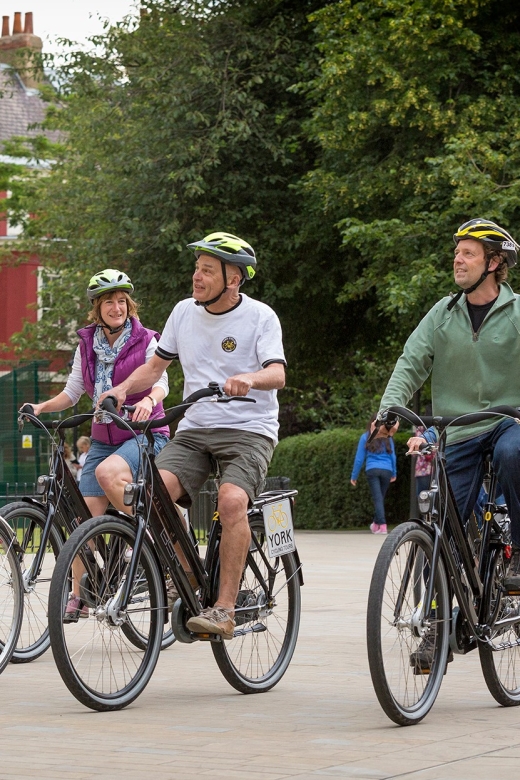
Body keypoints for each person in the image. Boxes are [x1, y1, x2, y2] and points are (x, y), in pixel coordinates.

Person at [101, 232, 286, 641]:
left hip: (248, 429)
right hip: (196, 427)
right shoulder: (184, 312)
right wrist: (120, 390)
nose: (196, 277)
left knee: (232, 500)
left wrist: (248, 379)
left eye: (206, 270)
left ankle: (224, 608)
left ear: (233, 278)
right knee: (151, 496)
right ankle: (185, 573)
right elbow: (155, 366)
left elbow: (278, 373)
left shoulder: (260, 317)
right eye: (196, 268)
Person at [376, 218, 520, 664]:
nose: (458, 259)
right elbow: (411, 360)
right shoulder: (442, 313)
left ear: (494, 263)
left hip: (507, 421)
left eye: (469, 253)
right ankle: (436, 627)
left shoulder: (518, 313)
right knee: (438, 530)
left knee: (513, 452)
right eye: (457, 252)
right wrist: (389, 409)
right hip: (457, 429)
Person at [25, 269, 170, 620]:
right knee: (80, 521)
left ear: (129, 305)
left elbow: (161, 379)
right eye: (109, 302)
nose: (117, 307)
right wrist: (42, 407)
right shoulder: (87, 343)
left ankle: (149, 535)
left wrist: (150, 400)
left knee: (108, 476)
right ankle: (80, 595)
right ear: (97, 308)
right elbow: (74, 391)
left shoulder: (147, 338)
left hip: (144, 434)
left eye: (122, 301)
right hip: (104, 440)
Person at [350, 413, 397, 535]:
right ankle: (376, 525)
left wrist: (354, 476)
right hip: (387, 470)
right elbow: (393, 456)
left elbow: (359, 458)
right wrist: (394, 472)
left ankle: (382, 525)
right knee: (380, 498)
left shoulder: (365, 437)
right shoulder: (388, 437)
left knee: (377, 498)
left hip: (372, 470)